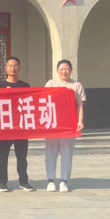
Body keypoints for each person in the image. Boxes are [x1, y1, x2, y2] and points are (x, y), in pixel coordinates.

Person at [45, 59, 86, 193]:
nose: (64, 71)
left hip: (69, 125)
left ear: (71, 70)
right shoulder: (51, 84)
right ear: (57, 71)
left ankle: (64, 181)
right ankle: (51, 180)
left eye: (67, 69)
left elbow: (80, 105)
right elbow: (43, 101)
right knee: (50, 153)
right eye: (61, 69)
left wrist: (80, 121)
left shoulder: (77, 85)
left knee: (66, 153)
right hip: (53, 124)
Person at [0, 57, 35, 192]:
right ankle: (2, 182)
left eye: (16, 65)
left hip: (21, 126)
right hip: (5, 126)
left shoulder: (25, 86)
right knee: (3, 156)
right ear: (6, 68)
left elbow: (30, 103)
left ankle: (23, 181)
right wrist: (4, 94)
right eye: (10, 66)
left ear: (19, 68)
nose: (13, 68)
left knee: (22, 156)